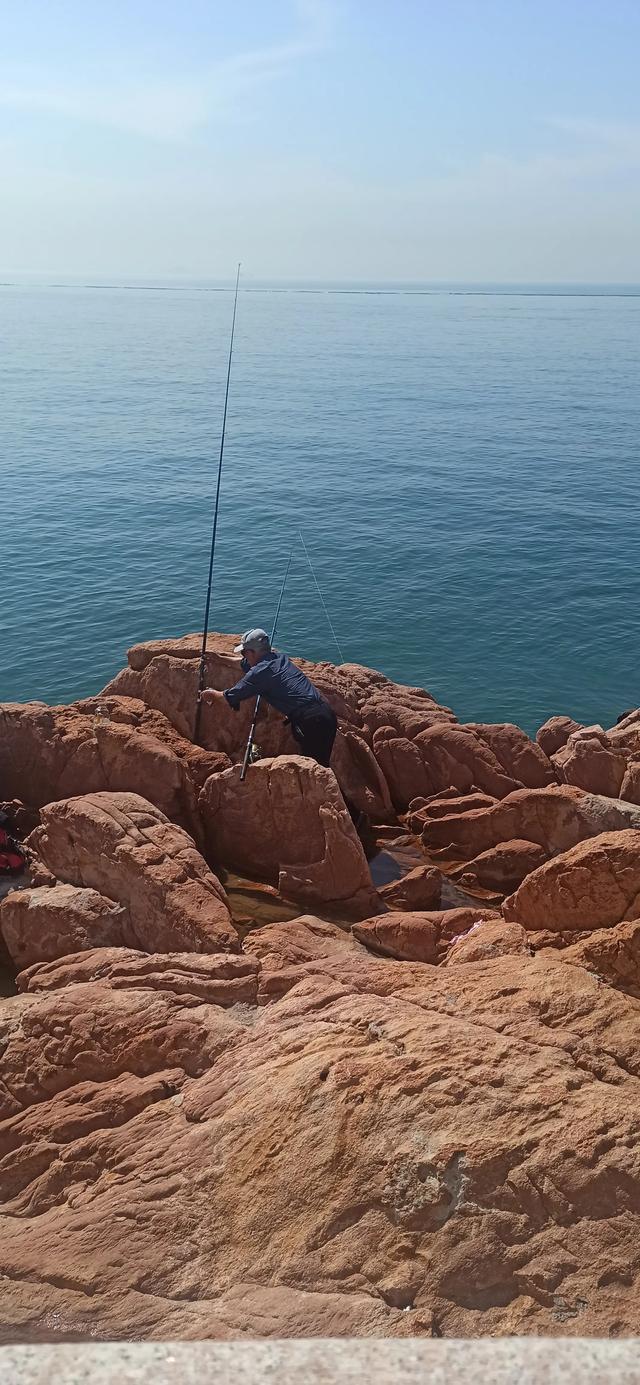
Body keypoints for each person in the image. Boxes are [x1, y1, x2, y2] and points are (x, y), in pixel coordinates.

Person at [200, 628, 338, 768]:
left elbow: (230, 696)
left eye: (244, 653)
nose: (243, 656)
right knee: (321, 764)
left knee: (314, 768)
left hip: (312, 722)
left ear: (251, 652)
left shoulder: (259, 673)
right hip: (326, 713)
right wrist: (220, 659)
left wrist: (210, 694)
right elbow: (244, 664)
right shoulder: (279, 658)